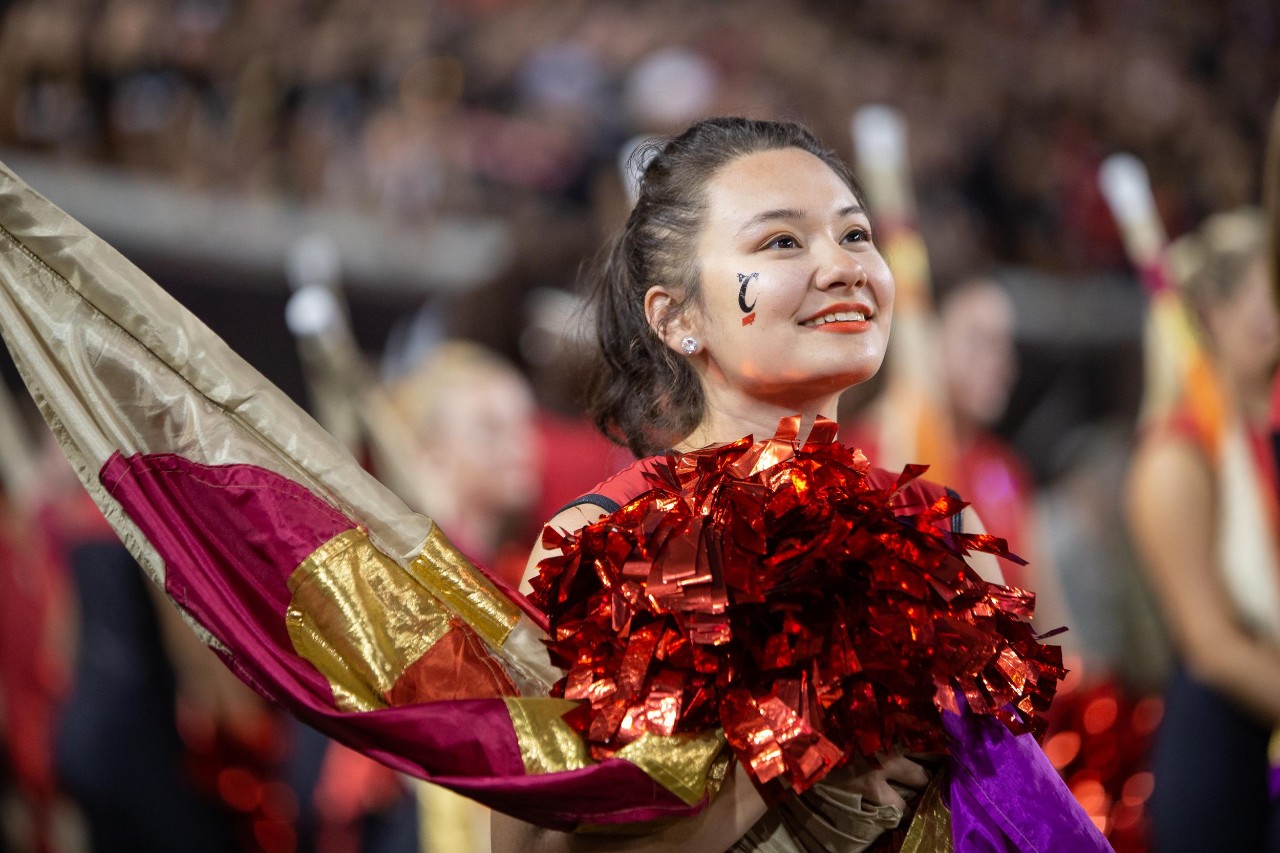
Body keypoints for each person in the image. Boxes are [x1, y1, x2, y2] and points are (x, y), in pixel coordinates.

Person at [493, 117, 1086, 852]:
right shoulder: (599, 536)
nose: (844, 267)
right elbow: (527, 845)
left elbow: (1016, 817)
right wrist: (797, 748)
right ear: (676, 316)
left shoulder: (940, 525)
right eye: (781, 242)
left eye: (855, 234)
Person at [1126, 209, 1280, 851]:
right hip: (1225, 757)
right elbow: (1212, 644)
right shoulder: (1175, 461)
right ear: (1217, 316)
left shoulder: (1267, 437)